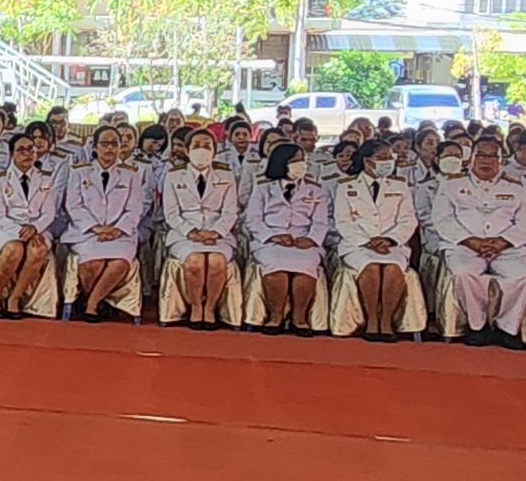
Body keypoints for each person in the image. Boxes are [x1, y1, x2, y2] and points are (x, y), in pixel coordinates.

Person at [430, 136, 526, 349]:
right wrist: (471, 241)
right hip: (464, 245)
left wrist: (502, 242)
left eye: (492, 156)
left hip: (505, 248)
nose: (486, 161)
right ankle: (476, 325)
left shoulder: (516, 186)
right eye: (481, 156)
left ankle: (508, 328)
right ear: (471, 159)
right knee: (463, 273)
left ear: (501, 160)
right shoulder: (451, 184)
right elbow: (442, 220)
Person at [332, 137, 417, 342]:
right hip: (357, 245)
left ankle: (386, 320)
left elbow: (408, 219)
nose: (388, 161)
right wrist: (366, 241)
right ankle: (371, 319)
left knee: (392, 269)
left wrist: (389, 239)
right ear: (368, 161)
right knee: (370, 267)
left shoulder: (399, 185)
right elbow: (343, 220)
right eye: (382, 158)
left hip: (391, 245)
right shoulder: (346, 186)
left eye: (390, 157)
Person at [64, 124, 147, 322]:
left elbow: (135, 208)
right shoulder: (79, 172)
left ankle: (91, 304)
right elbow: (73, 205)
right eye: (104, 143)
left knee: (119, 263)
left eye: (114, 144)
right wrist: (96, 227)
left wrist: (117, 229)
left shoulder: (131, 173)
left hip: (121, 233)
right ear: (94, 147)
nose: (109, 148)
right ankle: (100, 301)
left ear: (120, 147)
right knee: (93, 263)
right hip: (87, 231)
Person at [162, 126, 241, 329]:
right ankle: (196, 307)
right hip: (184, 235)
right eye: (196, 145)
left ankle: (210, 308)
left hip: (218, 234)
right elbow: (171, 213)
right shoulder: (173, 175)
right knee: (195, 261)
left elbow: (230, 211)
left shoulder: (226, 175)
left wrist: (216, 232)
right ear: (187, 150)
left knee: (216, 261)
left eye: (207, 146)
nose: (202, 149)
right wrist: (191, 232)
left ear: (215, 151)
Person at [248, 144, 328, 334]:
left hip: (303, 240)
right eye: (294, 161)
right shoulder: (262, 189)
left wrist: (310, 239)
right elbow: (253, 220)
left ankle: (299, 318)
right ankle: (275, 316)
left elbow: (321, 222)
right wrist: (272, 236)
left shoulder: (315, 191)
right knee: (276, 267)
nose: (300, 164)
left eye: (302, 159)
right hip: (270, 240)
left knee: (305, 266)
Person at [0, 130, 58, 316]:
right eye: (21, 150)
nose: (27, 154)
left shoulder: (46, 178)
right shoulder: (1, 178)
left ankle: (15, 298)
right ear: (12, 154)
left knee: (38, 250)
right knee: (13, 249)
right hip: (8, 228)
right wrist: (21, 230)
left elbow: (49, 213)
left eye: (31, 150)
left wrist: (35, 228)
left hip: (38, 227)